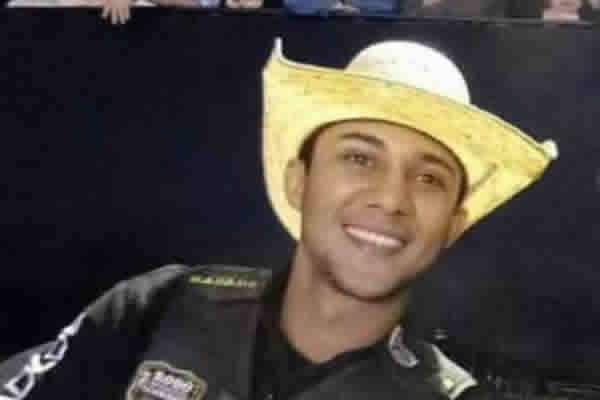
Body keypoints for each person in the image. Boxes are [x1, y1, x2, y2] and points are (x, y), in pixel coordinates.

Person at [0, 38, 558, 400]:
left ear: (454, 225)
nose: (392, 199)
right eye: (360, 158)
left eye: (429, 178)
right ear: (299, 181)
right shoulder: (157, 308)